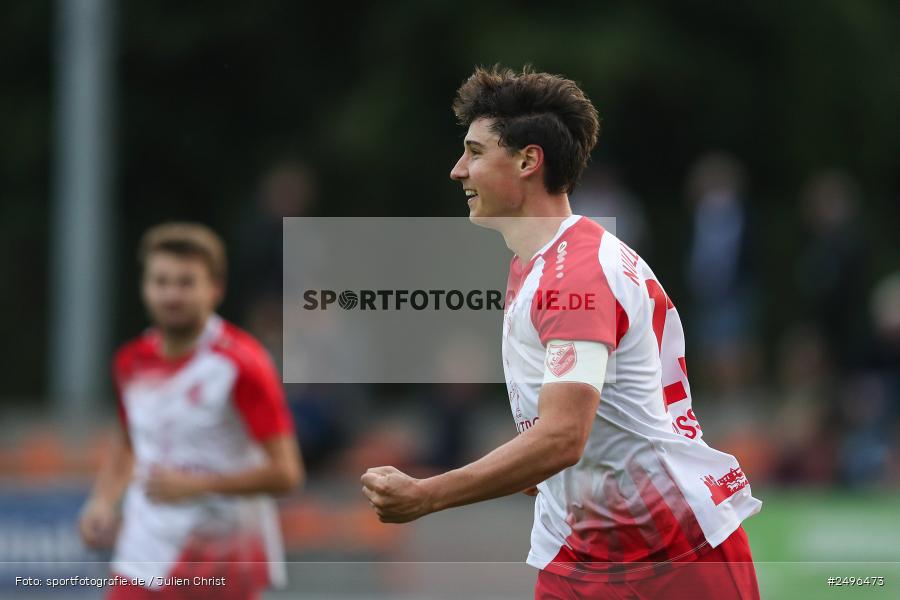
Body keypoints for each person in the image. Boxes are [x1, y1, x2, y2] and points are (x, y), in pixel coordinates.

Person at [361, 66, 762, 599]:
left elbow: (562, 439)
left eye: (475, 152)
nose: (458, 170)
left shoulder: (575, 273)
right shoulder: (538, 264)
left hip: (673, 556)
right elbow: (570, 432)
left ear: (529, 160)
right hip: (578, 555)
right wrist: (537, 469)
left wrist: (426, 495)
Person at [78, 223, 303, 600]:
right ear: (144, 286)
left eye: (185, 282)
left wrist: (197, 486)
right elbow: (129, 443)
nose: (171, 294)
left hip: (220, 557)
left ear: (215, 288)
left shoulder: (242, 364)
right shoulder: (131, 362)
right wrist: (101, 502)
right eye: (161, 281)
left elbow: (287, 473)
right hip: (144, 552)